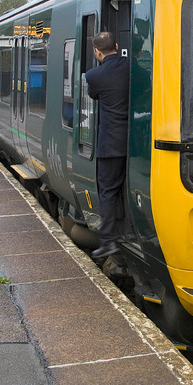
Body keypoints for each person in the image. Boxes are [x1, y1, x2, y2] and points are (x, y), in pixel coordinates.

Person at [84, 32, 129, 259]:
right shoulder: (132, 68)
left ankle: (109, 240)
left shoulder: (94, 76)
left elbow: (94, 96)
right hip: (133, 142)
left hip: (110, 145)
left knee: (108, 192)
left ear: (97, 51)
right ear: (118, 46)